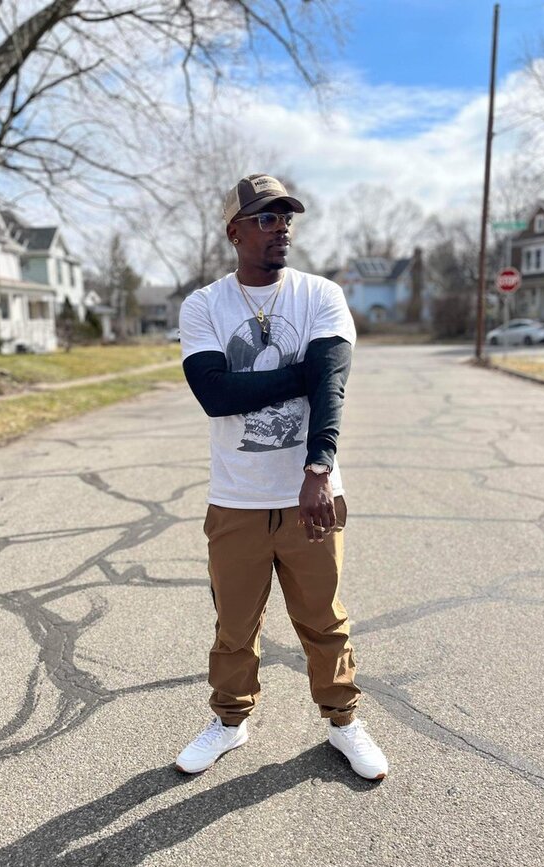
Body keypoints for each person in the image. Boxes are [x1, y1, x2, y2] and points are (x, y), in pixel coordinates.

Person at [175, 173, 388, 781]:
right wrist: (305, 372)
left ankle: (344, 722)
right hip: (236, 497)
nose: (282, 228)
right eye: (266, 218)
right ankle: (230, 722)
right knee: (234, 625)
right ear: (235, 231)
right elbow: (215, 395)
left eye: (287, 217)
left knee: (323, 619)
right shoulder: (204, 306)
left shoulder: (320, 295)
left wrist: (318, 467)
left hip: (311, 495)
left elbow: (331, 388)